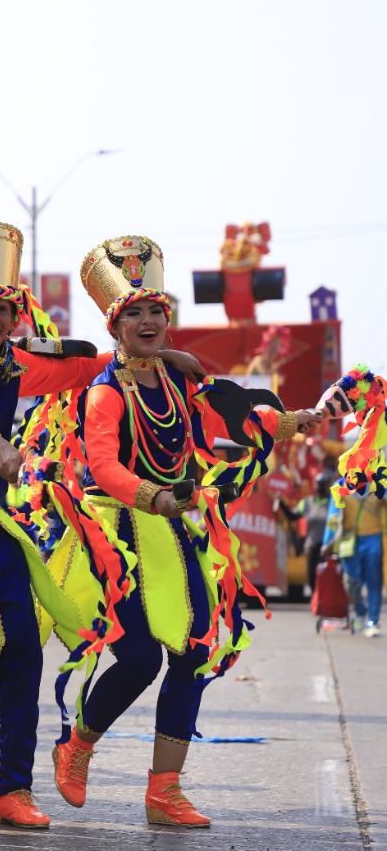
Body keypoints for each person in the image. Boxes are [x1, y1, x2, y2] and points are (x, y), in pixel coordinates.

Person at [50, 235, 326, 828]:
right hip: (117, 535)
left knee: (196, 652)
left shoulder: (181, 384)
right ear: (115, 325)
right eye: (134, 314)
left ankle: (164, 790)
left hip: (175, 533)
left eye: (156, 311)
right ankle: (78, 746)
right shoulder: (105, 393)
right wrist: (155, 496)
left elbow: (239, 413)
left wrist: (293, 421)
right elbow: (102, 466)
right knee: (140, 656)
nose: (148, 321)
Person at [323, 489, 386, 636]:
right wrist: (327, 542)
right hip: (349, 540)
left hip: (373, 538)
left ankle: (373, 622)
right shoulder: (340, 487)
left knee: (374, 581)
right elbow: (332, 517)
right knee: (351, 583)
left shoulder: (379, 483)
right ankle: (360, 609)